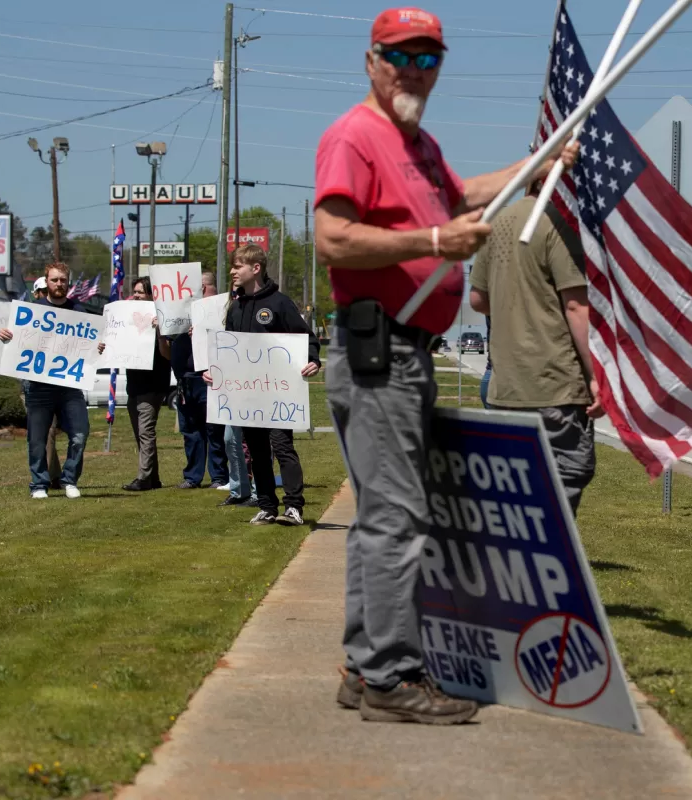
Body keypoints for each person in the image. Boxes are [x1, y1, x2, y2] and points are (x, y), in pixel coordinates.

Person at [314, 6, 578, 724]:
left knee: (382, 518)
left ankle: (364, 666)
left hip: (406, 355)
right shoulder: (355, 137)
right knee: (398, 520)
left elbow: (459, 197)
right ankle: (390, 679)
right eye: (401, 55)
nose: (414, 70)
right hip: (379, 352)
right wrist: (431, 239)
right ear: (371, 60)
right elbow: (332, 239)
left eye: (429, 58)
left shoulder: (419, 146)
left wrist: (538, 166)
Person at [470, 184, 603, 513]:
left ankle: (517, 556)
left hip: (505, 386)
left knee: (517, 486)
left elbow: (478, 299)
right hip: (554, 384)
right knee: (567, 475)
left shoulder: (498, 221)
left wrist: (515, 303)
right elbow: (575, 306)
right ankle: (545, 558)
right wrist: (597, 374)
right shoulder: (559, 223)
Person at [211, 243, 320, 525]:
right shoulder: (235, 308)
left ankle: (293, 507)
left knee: (282, 447)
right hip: (249, 395)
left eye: (238, 266)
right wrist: (216, 372)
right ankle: (268, 506)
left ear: (255, 268)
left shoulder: (280, 304)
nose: (232, 271)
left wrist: (313, 361)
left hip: (279, 393)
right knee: (257, 451)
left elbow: (306, 339)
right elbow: (228, 349)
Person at [0, 263, 89, 499]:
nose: (59, 284)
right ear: (46, 282)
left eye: (63, 280)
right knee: (36, 439)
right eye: (55, 280)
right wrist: (4, 334)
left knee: (79, 434)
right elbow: (17, 341)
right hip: (39, 387)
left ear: (69, 282)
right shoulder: (32, 311)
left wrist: (98, 345)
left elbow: (94, 344)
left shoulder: (81, 311)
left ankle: (69, 480)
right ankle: (39, 484)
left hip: (70, 386)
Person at [99, 278, 172, 491]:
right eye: (135, 292)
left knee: (146, 431)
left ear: (151, 295)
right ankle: (153, 478)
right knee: (140, 432)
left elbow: (167, 354)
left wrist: (159, 332)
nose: (137, 295)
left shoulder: (161, 319)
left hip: (154, 384)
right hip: (134, 384)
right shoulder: (127, 318)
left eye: (141, 292)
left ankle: (143, 479)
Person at [0, 276, 61, 485]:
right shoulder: (25, 319)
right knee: (43, 432)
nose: (43, 295)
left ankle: (52, 475)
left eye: (45, 291)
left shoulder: (63, 316)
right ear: (36, 294)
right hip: (32, 384)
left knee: (50, 432)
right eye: (40, 292)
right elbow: (10, 341)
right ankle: (51, 476)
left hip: (57, 382)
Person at [169, 271, 230, 492]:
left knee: (214, 430)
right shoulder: (182, 312)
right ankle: (193, 477)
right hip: (185, 380)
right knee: (191, 432)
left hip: (209, 376)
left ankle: (219, 476)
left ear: (204, 286)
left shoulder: (221, 308)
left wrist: (204, 330)